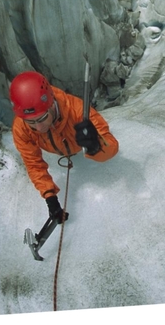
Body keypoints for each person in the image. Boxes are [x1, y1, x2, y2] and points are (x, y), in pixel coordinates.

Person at [10, 70, 119, 223]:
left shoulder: (78, 111)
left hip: (80, 152)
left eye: (42, 118)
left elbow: (112, 148)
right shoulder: (21, 128)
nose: (39, 127)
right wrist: (50, 197)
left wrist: (96, 146)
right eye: (31, 122)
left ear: (51, 105)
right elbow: (33, 164)